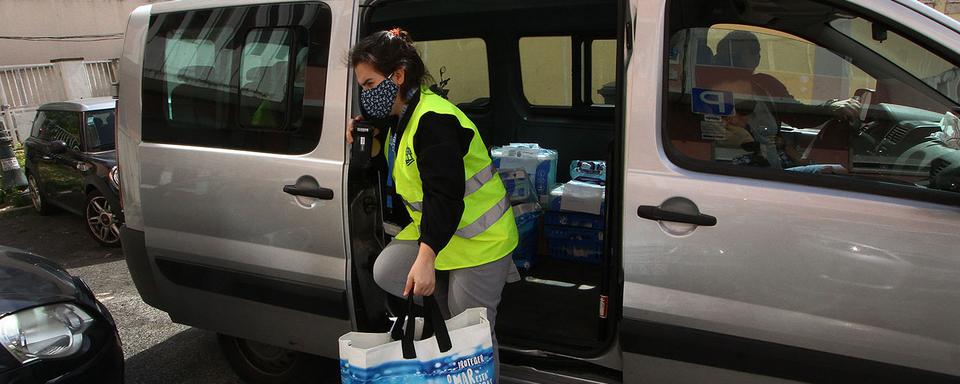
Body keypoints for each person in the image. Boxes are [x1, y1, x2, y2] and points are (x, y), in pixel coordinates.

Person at [345, 28, 520, 378]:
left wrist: (426, 258)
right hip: (441, 232)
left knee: (471, 337)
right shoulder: (403, 117)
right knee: (388, 270)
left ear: (397, 76)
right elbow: (407, 173)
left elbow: (445, 196)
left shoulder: (434, 120)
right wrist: (371, 143)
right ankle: (445, 314)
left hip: (479, 239)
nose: (364, 94)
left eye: (367, 85)